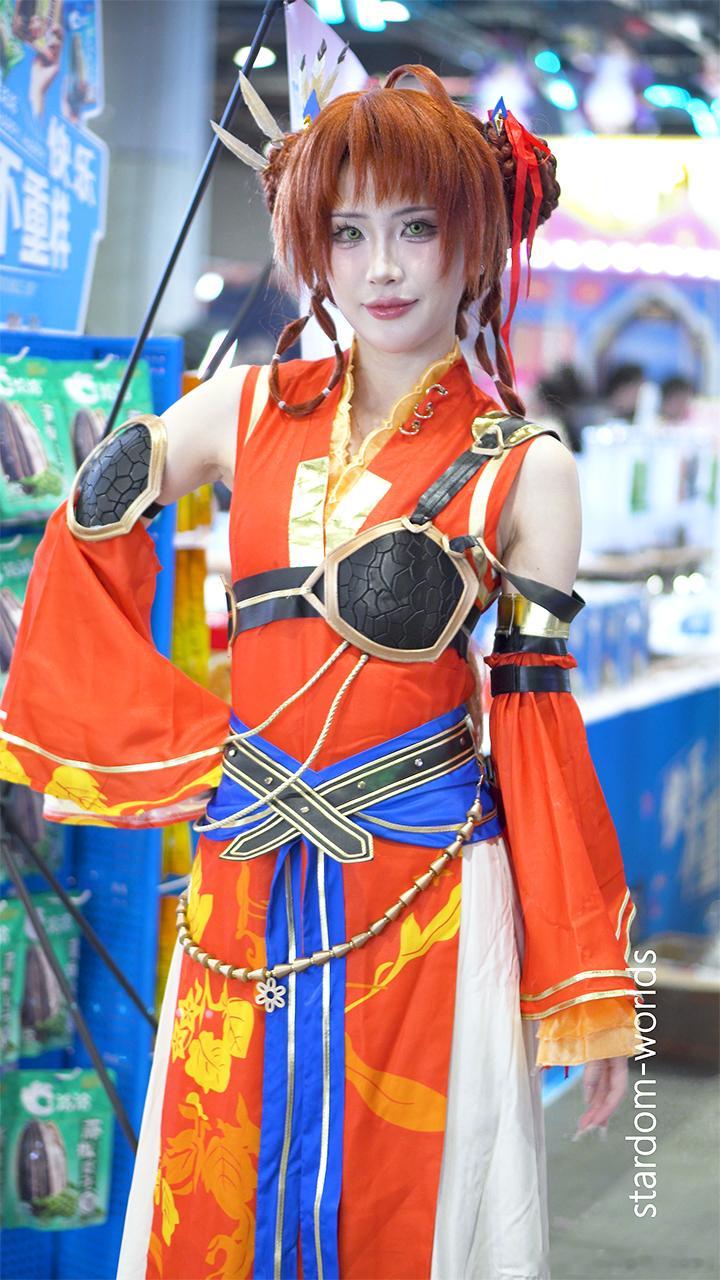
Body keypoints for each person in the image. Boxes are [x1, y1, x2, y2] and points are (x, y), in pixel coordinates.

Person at [0, 66, 640, 1280]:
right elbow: (88, 514)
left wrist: (584, 979)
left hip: (430, 890)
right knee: (222, 1186)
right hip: (248, 873)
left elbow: (539, 737)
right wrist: (189, 749)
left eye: (416, 227)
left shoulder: (527, 467)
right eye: (347, 232)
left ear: (476, 239)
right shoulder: (246, 407)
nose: (381, 267)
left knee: (413, 1203)